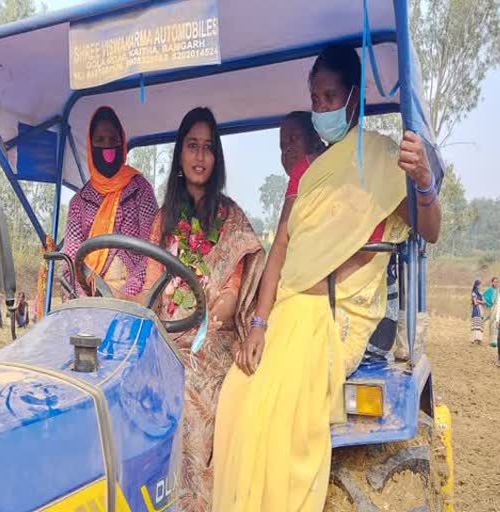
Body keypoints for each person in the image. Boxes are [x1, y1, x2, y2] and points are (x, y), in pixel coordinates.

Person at [212, 44, 441, 511]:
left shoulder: (381, 161)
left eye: (329, 96)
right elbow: (279, 249)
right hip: (289, 310)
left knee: (272, 412)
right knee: (234, 397)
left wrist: (423, 182)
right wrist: (258, 323)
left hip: (337, 316)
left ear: (352, 98)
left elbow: (430, 229)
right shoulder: (305, 172)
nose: (320, 107)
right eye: (315, 97)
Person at [137, 107, 265, 512]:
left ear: (217, 157)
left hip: (213, 340)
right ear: (179, 154)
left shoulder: (231, 218)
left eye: (208, 148)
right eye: (192, 146)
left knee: (188, 393)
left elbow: (230, 294)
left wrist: (203, 321)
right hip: (168, 331)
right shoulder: (162, 221)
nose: (200, 156)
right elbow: (152, 284)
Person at [232, 111, 323, 374]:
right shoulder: (296, 188)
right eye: (283, 146)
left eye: (294, 139)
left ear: (315, 139)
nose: (288, 150)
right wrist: (258, 324)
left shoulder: (329, 180)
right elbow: (279, 252)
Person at [63, 106, 158, 297]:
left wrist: (125, 295)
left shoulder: (140, 190)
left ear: (121, 144)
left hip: (136, 299)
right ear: (91, 146)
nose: (107, 147)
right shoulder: (79, 203)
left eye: (113, 140)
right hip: (90, 296)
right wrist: (88, 299)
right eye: (100, 141)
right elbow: (71, 263)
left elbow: (153, 252)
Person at [482, 276, 500, 345]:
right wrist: (487, 302)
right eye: (494, 282)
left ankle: (495, 341)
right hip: (491, 308)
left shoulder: (499, 290)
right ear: (492, 282)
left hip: (497, 308)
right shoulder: (489, 290)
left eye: (497, 282)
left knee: (496, 324)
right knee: (491, 324)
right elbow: (483, 297)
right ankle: (491, 341)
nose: (496, 283)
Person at [470, 279, 485, 344]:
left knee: (480, 324)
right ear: (477, 285)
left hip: (480, 309)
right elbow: (475, 303)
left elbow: (483, 302)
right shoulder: (474, 293)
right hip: (476, 310)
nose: (480, 286)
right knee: (476, 323)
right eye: (479, 285)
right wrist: (480, 301)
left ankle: (479, 339)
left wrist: (479, 301)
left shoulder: (480, 293)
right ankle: (474, 339)